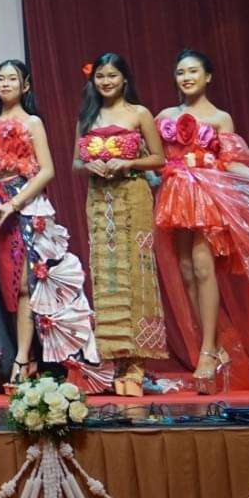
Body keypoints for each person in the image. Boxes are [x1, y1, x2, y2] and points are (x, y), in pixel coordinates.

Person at [152, 50, 249, 392]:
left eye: (193, 71)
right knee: (186, 271)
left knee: (203, 266)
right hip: (176, 196)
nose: (186, 78)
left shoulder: (220, 118)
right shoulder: (164, 116)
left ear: (208, 76)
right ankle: (213, 345)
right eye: (181, 72)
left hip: (208, 195)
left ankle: (209, 350)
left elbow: (232, 162)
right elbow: (155, 159)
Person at [0, 60, 103, 392]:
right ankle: (9, 356)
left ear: (26, 86)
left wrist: (14, 204)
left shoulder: (32, 122)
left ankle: (24, 358)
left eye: (12, 79)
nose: (5, 84)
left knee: (25, 285)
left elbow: (47, 170)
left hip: (23, 206)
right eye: (0, 78)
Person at [74, 52, 167, 397]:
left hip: (133, 196)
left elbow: (159, 158)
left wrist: (126, 163)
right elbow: (75, 161)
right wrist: (90, 166)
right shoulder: (87, 114)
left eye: (112, 75)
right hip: (100, 201)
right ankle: (115, 359)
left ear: (124, 78)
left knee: (137, 273)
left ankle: (137, 363)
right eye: (100, 76)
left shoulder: (139, 113)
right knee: (107, 276)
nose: (106, 81)